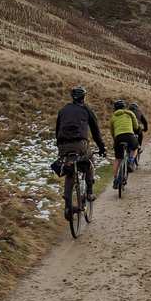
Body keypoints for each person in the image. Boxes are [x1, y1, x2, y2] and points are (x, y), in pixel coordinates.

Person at [55, 86, 106, 219]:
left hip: (63, 145)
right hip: (80, 144)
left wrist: (60, 146)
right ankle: (89, 192)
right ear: (84, 97)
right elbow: (95, 132)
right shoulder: (86, 109)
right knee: (89, 161)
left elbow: (57, 129)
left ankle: (67, 205)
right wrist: (102, 148)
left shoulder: (63, 110)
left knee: (69, 168)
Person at [110, 99, 139, 188]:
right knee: (135, 147)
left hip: (118, 138)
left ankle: (115, 179)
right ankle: (130, 161)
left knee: (118, 159)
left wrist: (115, 139)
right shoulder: (130, 114)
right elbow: (136, 126)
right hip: (129, 136)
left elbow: (112, 131)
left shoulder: (113, 117)